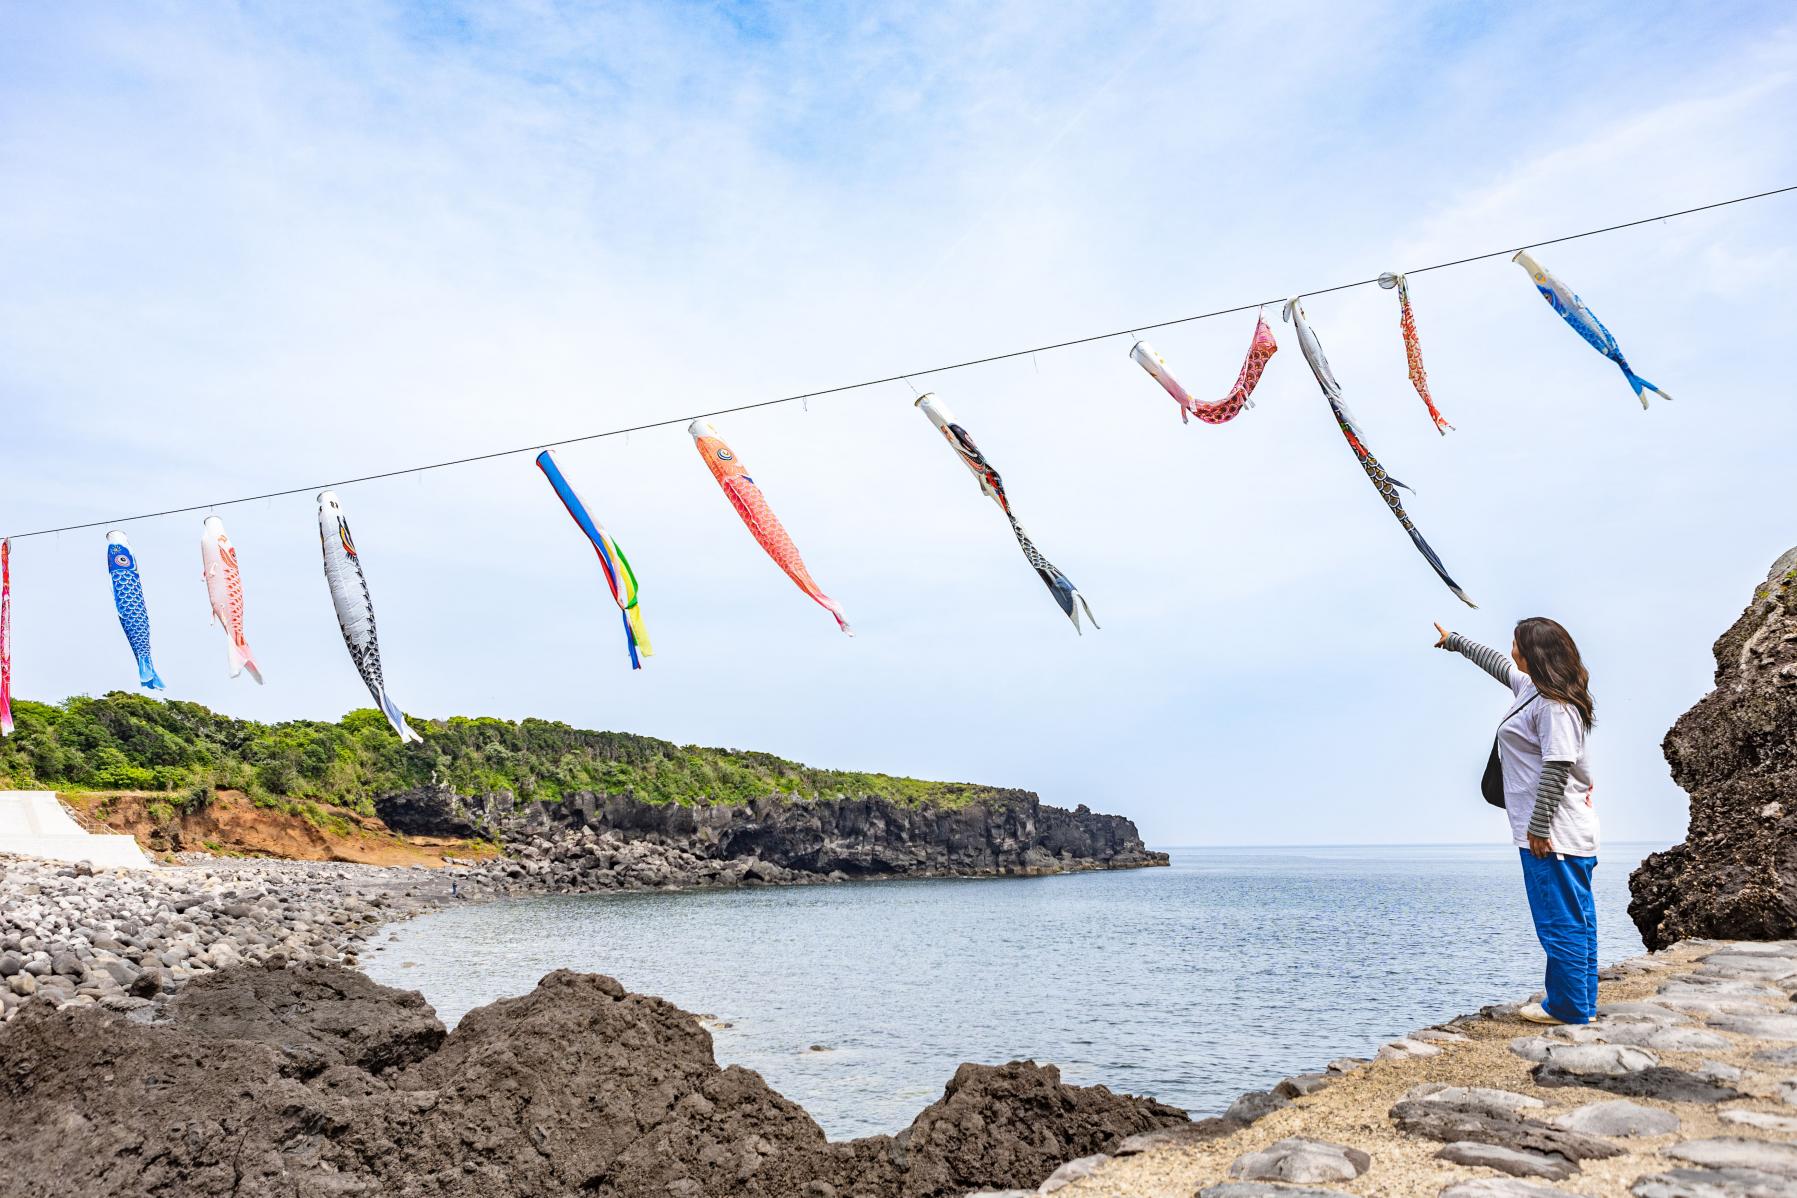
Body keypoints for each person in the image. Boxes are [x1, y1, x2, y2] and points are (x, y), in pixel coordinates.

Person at [1434, 617, 1598, 1025]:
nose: (1511, 650)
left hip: (1552, 835)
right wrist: (1454, 641)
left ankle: (1569, 1008)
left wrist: (1539, 828)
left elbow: (1558, 765)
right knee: (1575, 919)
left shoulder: (1555, 707)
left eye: (1516, 643)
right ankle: (1580, 1003)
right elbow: (1495, 663)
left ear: (1534, 653)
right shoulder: (1533, 690)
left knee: (1559, 922)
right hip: (1559, 832)